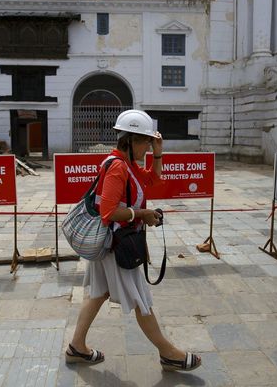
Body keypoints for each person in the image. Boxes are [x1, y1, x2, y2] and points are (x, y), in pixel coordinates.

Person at [65, 109, 202, 372]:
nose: (147, 147)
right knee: (141, 299)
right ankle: (168, 353)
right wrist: (143, 214)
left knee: (98, 293)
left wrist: (158, 153)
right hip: (116, 245)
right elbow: (108, 212)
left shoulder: (126, 164)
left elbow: (153, 179)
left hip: (109, 244)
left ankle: (76, 347)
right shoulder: (118, 167)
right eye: (145, 142)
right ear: (129, 140)